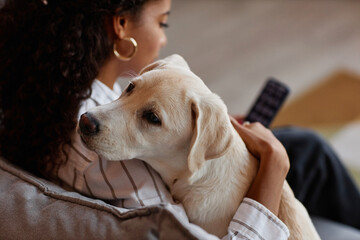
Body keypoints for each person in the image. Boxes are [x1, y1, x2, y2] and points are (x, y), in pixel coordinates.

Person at [0, 0, 358, 239]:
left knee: (306, 146)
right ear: (122, 24)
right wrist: (274, 167)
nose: (163, 36)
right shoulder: (117, 171)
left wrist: (207, 125)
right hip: (245, 214)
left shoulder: (54, 91)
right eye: (161, 21)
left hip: (206, 164)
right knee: (306, 152)